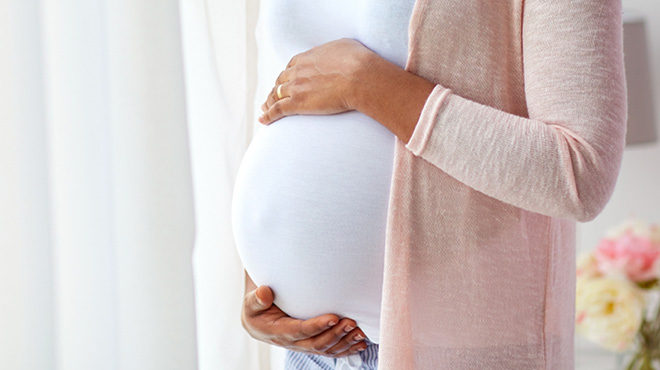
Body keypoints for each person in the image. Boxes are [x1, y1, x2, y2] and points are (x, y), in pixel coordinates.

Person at [238, 0, 627, 369]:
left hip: (456, 349)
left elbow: (580, 172)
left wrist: (366, 83)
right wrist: (259, 283)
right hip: (313, 352)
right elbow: (283, 95)